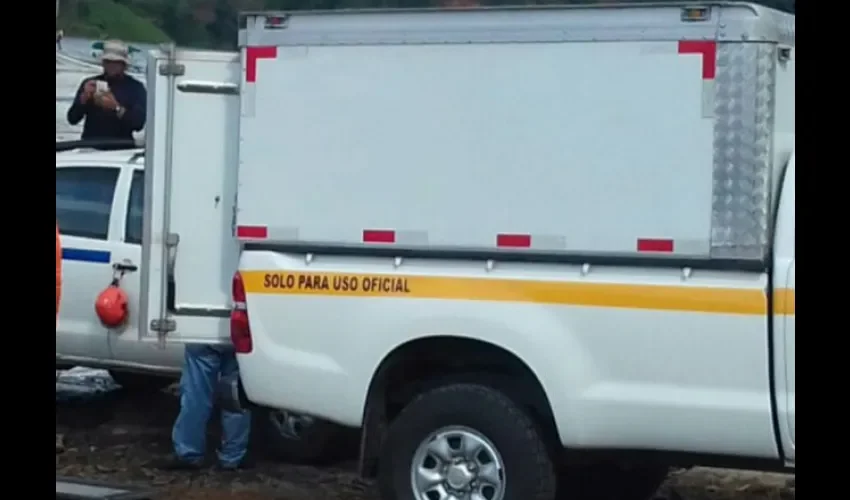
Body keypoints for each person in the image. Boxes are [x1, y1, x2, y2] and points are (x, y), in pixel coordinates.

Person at [152, 344, 252, 471]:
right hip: (235, 336)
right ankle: (233, 457)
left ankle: (188, 454)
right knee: (234, 395)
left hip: (203, 337)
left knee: (196, 395)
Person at [66, 40, 146, 141]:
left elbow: (138, 124)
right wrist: (83, 100)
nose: (111, 66)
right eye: (108, 62)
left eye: (116, 63)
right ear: (103, 63)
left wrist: (116, 107)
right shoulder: (90, 84)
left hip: (122, 149)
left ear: (124, 65)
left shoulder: (136, 87)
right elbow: (72, 119)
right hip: (89, 147)